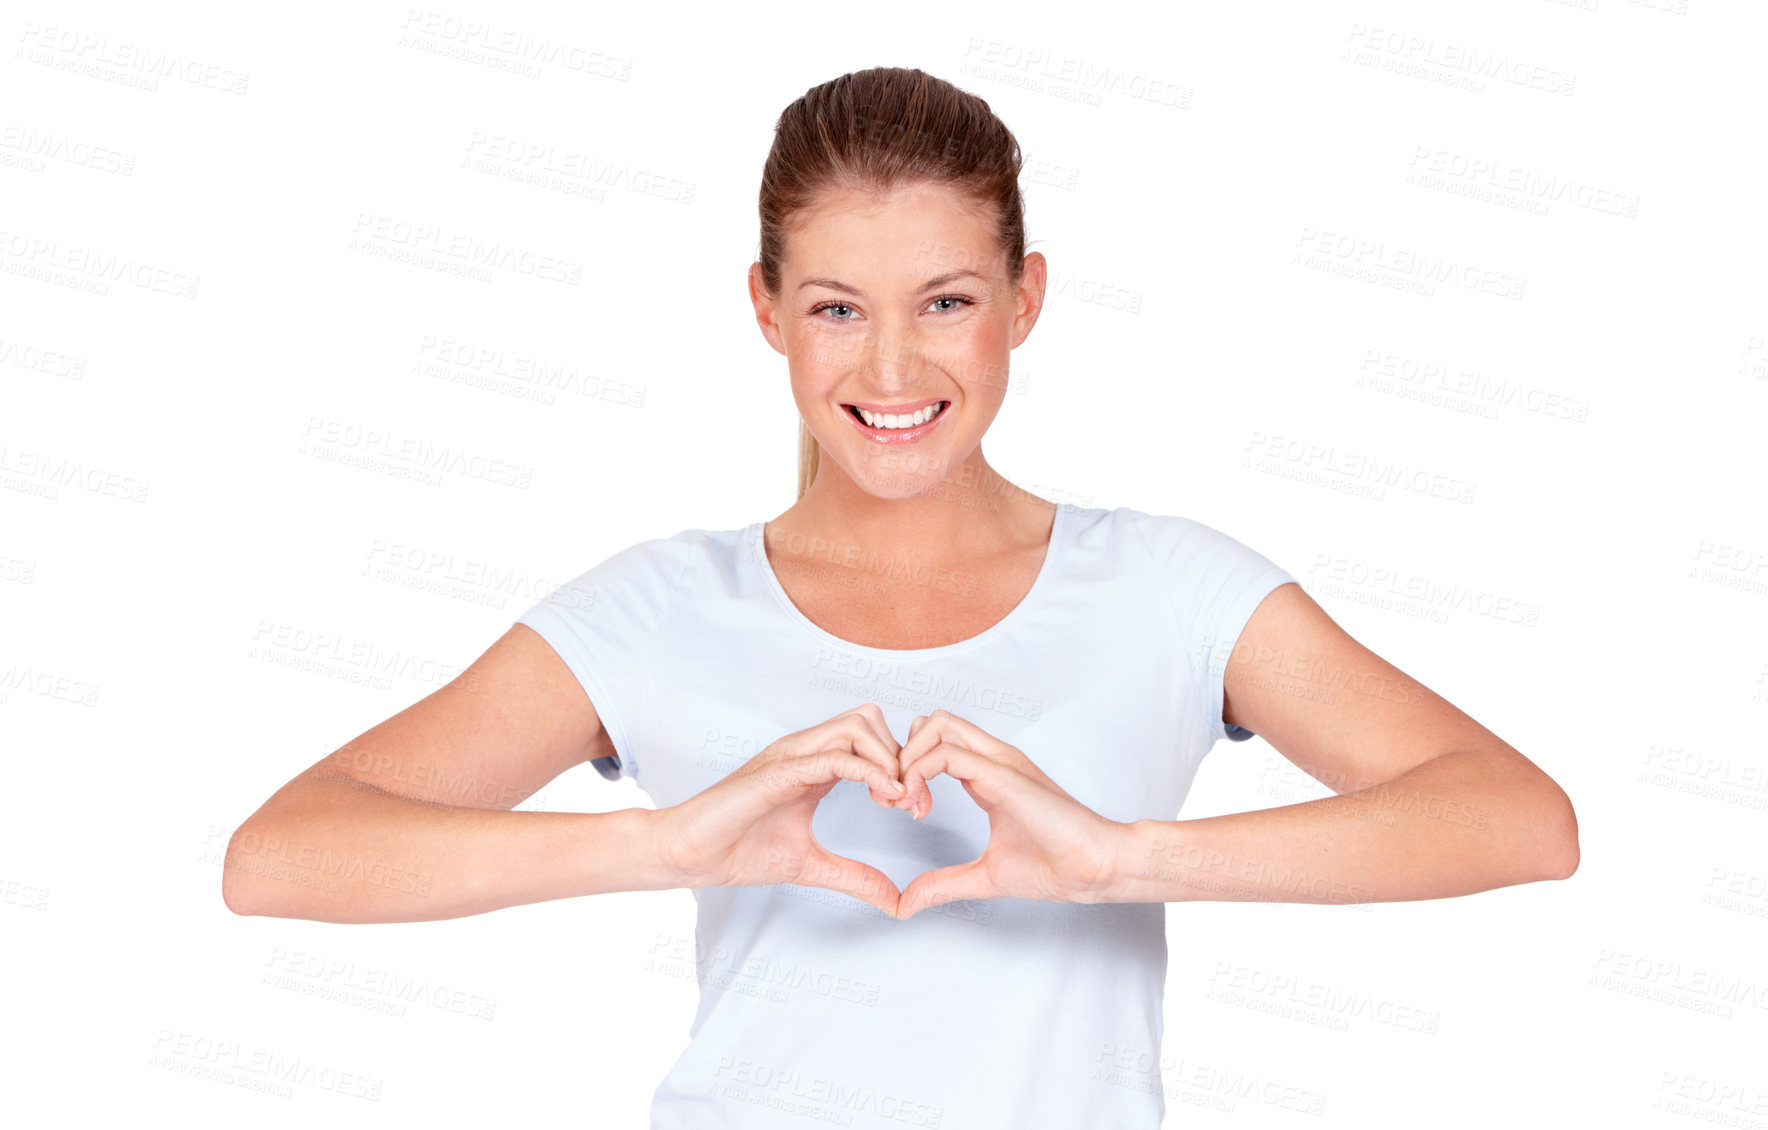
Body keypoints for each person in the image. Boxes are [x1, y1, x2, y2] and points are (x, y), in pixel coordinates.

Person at [223, 66, 1579, 1129]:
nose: (888, 365)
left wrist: (1121, 859)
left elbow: (1517, 817)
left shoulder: (1169, 592)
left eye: (942, 300)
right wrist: (668, 843)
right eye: (833, 308)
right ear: (764, 309)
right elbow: (282, 852)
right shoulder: (657, 607)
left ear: (1023, 299)